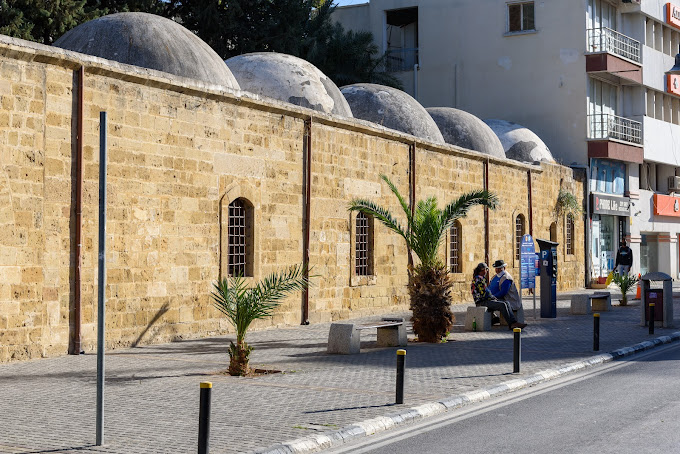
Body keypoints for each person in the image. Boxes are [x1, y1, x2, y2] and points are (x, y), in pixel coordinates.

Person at [470, 263, 526, 330]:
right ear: (482, 270)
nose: (486, 271)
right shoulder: (478, 280)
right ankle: (512, 323)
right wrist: (493, 298)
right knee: (502, 305)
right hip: (482, 301)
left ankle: (513, 322)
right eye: (486, 270)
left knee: (506, 303)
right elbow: (484, 294)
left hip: (487, 299)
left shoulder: (482, 279)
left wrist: (492, 297)